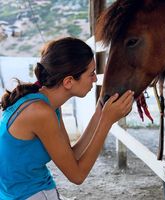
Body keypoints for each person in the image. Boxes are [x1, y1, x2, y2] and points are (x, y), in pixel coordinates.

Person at [0, 37, 134, 200]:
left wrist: (100, 113)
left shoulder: (47, 104)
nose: (95, 79)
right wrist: (106, 121)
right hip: (29, 195)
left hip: (29, 191)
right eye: (91, 74)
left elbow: (72, 155)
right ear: (69, 81)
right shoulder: (40, 112)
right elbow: (77, 176)